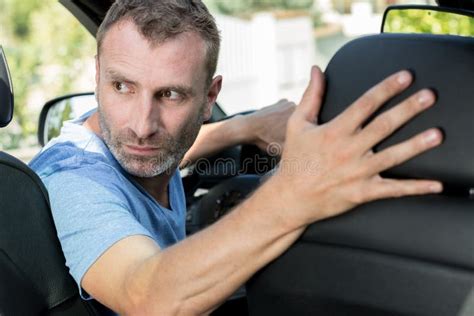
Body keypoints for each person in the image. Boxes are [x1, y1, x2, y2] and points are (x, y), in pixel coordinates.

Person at [30, 0, 443, 314]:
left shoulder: (141, 147)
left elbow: (176, 147)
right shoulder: (72, 178)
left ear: (210, 97)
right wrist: (296, 192)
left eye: (170, 94)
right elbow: (147, 298)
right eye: (122, 87)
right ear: (97, 74)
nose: (142, 125)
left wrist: (246, 127)